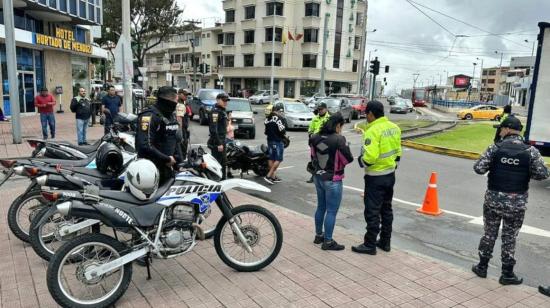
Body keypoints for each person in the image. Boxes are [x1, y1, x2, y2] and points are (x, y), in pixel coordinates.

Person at [472, 116, 549, 285]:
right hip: (516, 202)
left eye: (501, 129)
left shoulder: (495, 148)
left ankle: (482, 267)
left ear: (506, 129)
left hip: (493, 200)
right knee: (510, 237)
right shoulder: (531, 151)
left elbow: (478, 168)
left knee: (489, 233)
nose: (499, 132)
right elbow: (543, 174)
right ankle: (507, 274)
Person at [352, 100, 402, 255]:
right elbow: (398, 152)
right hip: (390, 174)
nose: (365, 117)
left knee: (372, 211)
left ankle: (370, 244)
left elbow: (370, 158)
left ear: (371, 114)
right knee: (386, 209)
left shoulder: (372, 130)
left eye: (366, 114)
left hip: (375, 177)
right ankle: (385, 242)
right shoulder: (394, 128)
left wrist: (360, 161)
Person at [310, 113, 354, 251]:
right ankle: (328, 241)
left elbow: (313, 156)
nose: (341, 129)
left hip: (318, 177)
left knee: (320, 207)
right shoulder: (339, 139)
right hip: (333, 179)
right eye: (341, 126)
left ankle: (319, 235)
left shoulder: (315, 137)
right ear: (337, 125)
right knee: (331, 211)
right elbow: (347, 159)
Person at [136, 86, 182, 184]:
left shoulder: (170, 116)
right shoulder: (149, 116)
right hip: (151, 170)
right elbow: (145, 145)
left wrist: (179, 164)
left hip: (168, 168)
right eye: (176, 100)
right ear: (169, 100)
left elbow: (174, 140)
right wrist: (167, 159)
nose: (177, 103)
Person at [307, 102, 330, 183]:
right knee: (314, 159)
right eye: (318, 109)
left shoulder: (329, 118)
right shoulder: (315, 118)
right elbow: (310, 130)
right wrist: (311, 136)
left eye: (321, 109)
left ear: (326, 109)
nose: (319, 111)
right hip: (314, 143)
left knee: (323, 159)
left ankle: (323, 176)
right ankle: (314, 176)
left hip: (324, 143)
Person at [207, 93, 230, 179]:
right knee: (218, 163)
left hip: (222, 139)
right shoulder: (215, 111)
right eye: (224, 100)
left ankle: (222, 180)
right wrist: (219, 143)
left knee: (223, 162)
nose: (225, 102)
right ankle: (217, 181)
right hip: (217, 141)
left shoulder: (222, 110)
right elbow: (213, 129)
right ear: (218, 100)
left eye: (226, 101)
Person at [264, 105, 287, 184]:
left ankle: (273, 177)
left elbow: (266, 132)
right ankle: (268, 175)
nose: (281, 113)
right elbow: (282, 130)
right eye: (280, 111)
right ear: (277, 111)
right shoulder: (279, 118)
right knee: (278, 159)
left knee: (271, 158)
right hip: (277, 141)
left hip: (269, 140)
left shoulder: (267, 119)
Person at [176, 88, 192, 159]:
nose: (186, 96)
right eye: (184, 94)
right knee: (182, 147)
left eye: (187, 95)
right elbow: (179, 119)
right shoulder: (180, 105)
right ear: (179, 94)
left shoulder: (182, 104)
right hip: (182, 129)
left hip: (183, 128)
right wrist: (181, 133)